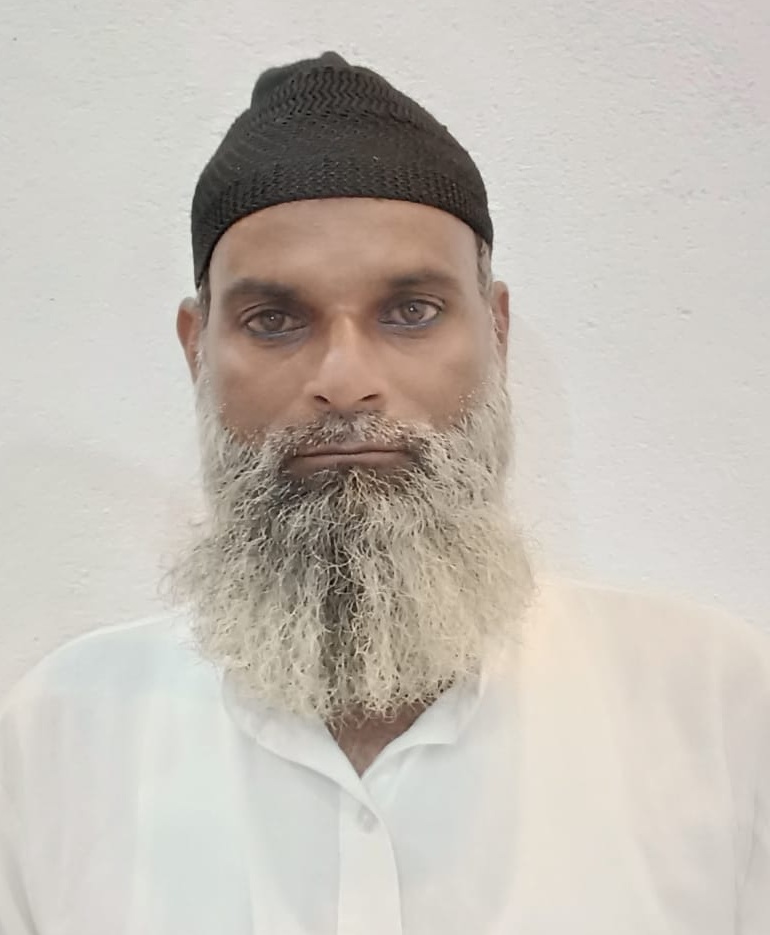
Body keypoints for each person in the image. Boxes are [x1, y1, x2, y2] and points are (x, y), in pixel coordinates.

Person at [0, 51, 767, 935]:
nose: (345, 380)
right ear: (196, 348)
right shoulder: (59, 742)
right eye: (274, 320)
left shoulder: (713, 711)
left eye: (410, 312)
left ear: (497, 332)